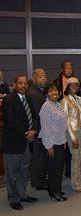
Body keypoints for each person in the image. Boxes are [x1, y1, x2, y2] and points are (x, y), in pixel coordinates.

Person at [2, 75, 39, 210]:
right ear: (14, 84)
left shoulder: (28, 98)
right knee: (12, 173)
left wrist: (34, 130)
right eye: (20, 83)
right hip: (14, 143)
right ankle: (13, 199)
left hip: (27, 143)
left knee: (24, 171)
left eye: (25, 84)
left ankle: (22, 194)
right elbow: (11, 122)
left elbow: (34, 116)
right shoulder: (8, 100)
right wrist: (27, 133)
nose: (23, 86)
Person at [39, 84, 68, 202]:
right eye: (51, 91)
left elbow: (63, 125)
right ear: (46, 94)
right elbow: (45, 129)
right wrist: (49, 146)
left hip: (60, 140)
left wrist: (64, 140)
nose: (54, 93)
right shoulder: (46, 107)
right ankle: (54, 192)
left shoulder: (57, 104)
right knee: (54, 168)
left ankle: (56, 188)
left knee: (59, 167)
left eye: (56, 91)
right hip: (52, 143)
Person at [61, 77, 81, 193]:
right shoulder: (65, 101)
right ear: (68, 87)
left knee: (78, 157)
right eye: (71, 86)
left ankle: (76, 181)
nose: (74, 88)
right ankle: (77, 184)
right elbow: (65, 121)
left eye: (76, 85)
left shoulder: (79, 99)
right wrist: (72, 137)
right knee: (76, 157)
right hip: (73, 132)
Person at [27, 69, 48, 190]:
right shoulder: (33, 93)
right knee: (38, 158)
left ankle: (40, 180)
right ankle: (38, 182)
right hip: (38, 130)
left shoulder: (40, 91)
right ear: (34, 79)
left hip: (42, 129)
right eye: (40, 77)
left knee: (41, 157)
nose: (43, 79)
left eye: (44, 76)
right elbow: (37, 114)